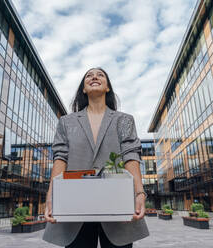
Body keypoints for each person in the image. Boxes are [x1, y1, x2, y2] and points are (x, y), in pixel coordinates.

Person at [42, 68, 149, 248]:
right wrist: (51, 196)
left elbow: (131, 156)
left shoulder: (124, 120)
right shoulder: (66, 122)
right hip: (75, 205)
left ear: (108, 87)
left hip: (117, 204)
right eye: (89, 75)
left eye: (100, 75)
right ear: (83, 89)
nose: (94, 77)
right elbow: (60, 158)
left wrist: (139, 193)